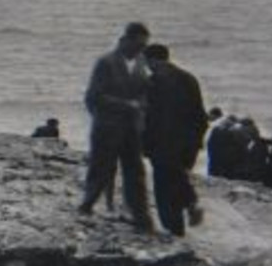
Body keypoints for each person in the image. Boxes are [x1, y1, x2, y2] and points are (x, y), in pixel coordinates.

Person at [77, 22, 154, 231]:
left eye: (143, 46)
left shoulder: (142, 63)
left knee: (135, 171)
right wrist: (123, 106)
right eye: (137, 44)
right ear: (125, 40)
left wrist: (142, 107)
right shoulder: (106, 62)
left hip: (132, 128)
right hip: (107, 126)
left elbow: (144, 92)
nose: (140, 49)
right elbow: (94, 96)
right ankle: (87, 205)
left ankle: (140, 215)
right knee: (100, 167)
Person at [141, 44, 209, 235]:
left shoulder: (153, 82)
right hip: (187, 143)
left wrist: (144, 144)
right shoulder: (188, 78)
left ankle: (175, 228)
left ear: (152, 60)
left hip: (163, 143)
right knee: (177, 178)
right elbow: (199, 114)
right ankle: (189, 207)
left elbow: (149, 117)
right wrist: (197, 140)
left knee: (164, 187)